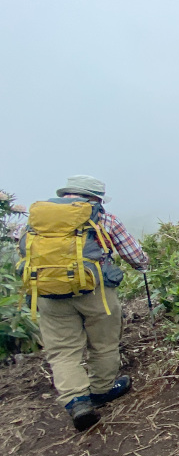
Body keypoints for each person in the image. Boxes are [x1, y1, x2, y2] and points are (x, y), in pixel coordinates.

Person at [17, 175, 150, 432]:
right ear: (95, 197)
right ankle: (102, 389)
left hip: (48, 294)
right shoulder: (102, 217)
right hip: (95, 292)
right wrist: (142, 265)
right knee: (104, 342)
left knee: (63, 350)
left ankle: (77, 401)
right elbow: (135, 255)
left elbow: (23, 252)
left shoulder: (37, 219)